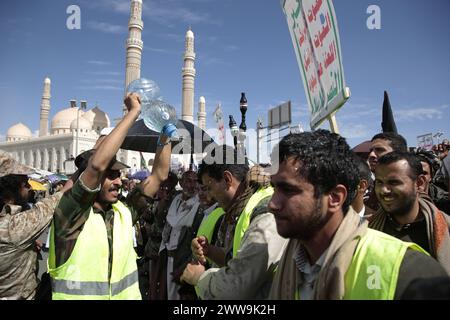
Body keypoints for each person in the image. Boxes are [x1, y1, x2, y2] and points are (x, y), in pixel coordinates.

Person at [268, 130, 447, 300]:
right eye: (274, 188)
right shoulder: (289, 265)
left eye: (288, 190)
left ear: (335, 198)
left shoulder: (410, 272)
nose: (272, 204)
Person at [48, 93, 174, 300]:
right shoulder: (70, 215)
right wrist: (133, 113)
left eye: (119, 176)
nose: (118, 182)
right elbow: (97, 166)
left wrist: (165, 134)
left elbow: (159, 175)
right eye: (112, 176)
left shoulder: (122, 213)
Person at [181, 146, 288, 299]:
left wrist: (199, 278)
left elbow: (235, 287)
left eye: (209, 188)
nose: (209, 197)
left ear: (227, 179)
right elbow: (240, 260)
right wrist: (210, 251)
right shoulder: (244, 208)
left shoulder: (266, 216)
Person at [369, 151, 450, 274]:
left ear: (419, 183)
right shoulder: (368, 230)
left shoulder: (445, 228)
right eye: (379, 182)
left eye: (394, 182)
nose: (384, 190)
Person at [0, 166, 73, 299]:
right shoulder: (14, 227)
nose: (30, 187)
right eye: (25, 184)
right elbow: (60, 197)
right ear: (9, 194)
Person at [159, 170, 203, 300]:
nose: (193, 185)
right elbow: (162, 222)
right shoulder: (175, 201)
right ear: (182, 183)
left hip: (183, 259)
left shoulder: (198, 206)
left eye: (196, 181)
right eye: (189, 181)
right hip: (168, 256)